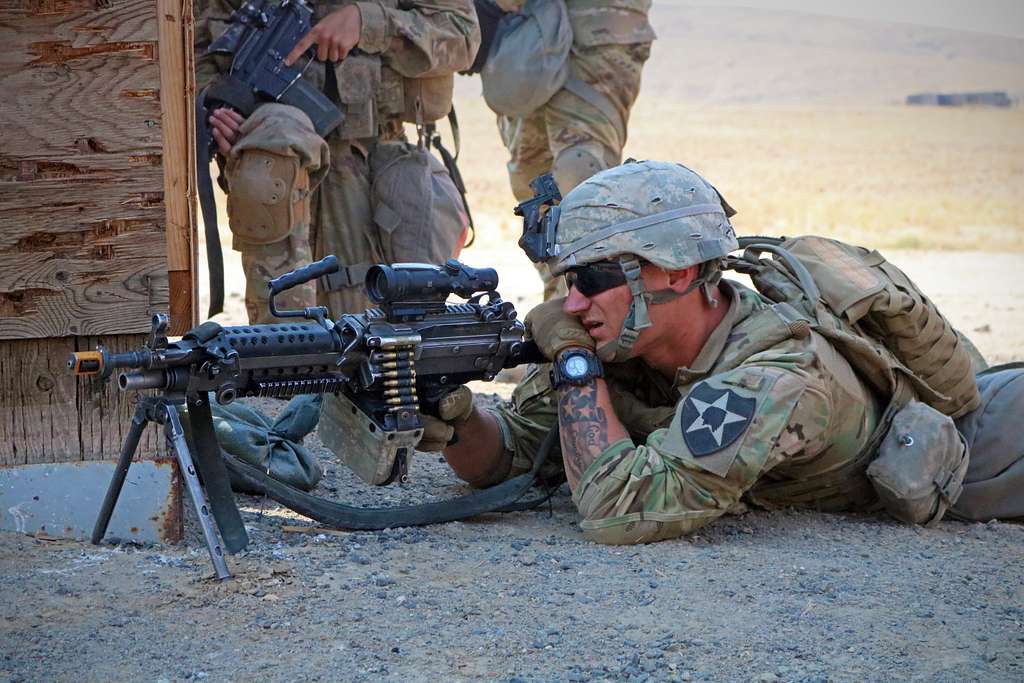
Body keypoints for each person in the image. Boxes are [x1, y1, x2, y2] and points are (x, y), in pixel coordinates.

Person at [421, 160, 1023, 544]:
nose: (571, 305)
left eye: (593, 279)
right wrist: (457, 421)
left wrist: (575, 366)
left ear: (679, 274)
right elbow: (522, 456)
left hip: (988, 447)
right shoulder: (630, 342)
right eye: (568, 283)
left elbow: (616, 509)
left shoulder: (774, 372)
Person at [195, 0, 480, 323]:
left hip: (370, 156)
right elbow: (193, 44)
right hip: (275, 166)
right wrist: (215, 102)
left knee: (373, 327)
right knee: (289, 345)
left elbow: (463, 35)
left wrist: (367, 22)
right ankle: (287, 355)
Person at [484, 0, 656, 301]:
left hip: (598, 26)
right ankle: (563, 300)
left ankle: (593, 299)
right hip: (529, 28)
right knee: (531, 178)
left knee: (580, 172)